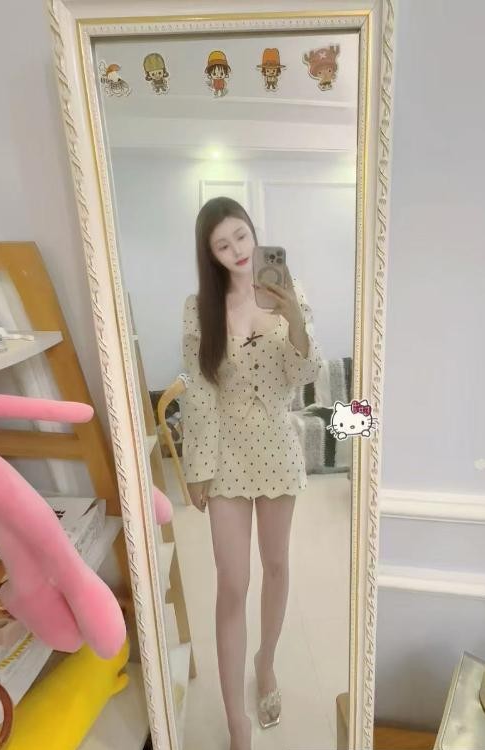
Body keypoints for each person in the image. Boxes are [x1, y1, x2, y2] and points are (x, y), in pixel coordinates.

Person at [180, 196, 322, 750]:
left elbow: (304, 374)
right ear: (210, 254)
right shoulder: (199, 309)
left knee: (277, 565)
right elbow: (199, 391)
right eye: (222, 244)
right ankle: (236, 720)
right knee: (232, 582)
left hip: (278, 445)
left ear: (254, 233)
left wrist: (296, 320)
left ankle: (266, 662)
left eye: (241, 235)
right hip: (226, 455)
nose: (237, 250)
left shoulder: (289, 293)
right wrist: (197, 468)